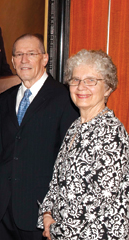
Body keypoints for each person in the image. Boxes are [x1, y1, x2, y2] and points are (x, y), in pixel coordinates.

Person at [0, 34, 78, 240]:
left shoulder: (65, 98)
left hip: (42, 212)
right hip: (4, 210)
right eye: (18, 55)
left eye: (31, 54)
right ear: (12, 61)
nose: (24, 60)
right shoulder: (4, 99)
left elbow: (68, 160)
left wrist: (57, 209)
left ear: (45, 58)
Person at [38, 49, 129, 240]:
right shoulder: (75, 126)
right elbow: (57, 182)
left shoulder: (112, 132)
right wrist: (47, 214)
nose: (81, 87)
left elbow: (97, 204)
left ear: (108, 88)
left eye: (91, 80)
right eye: (75, 80)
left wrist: (55, 230)